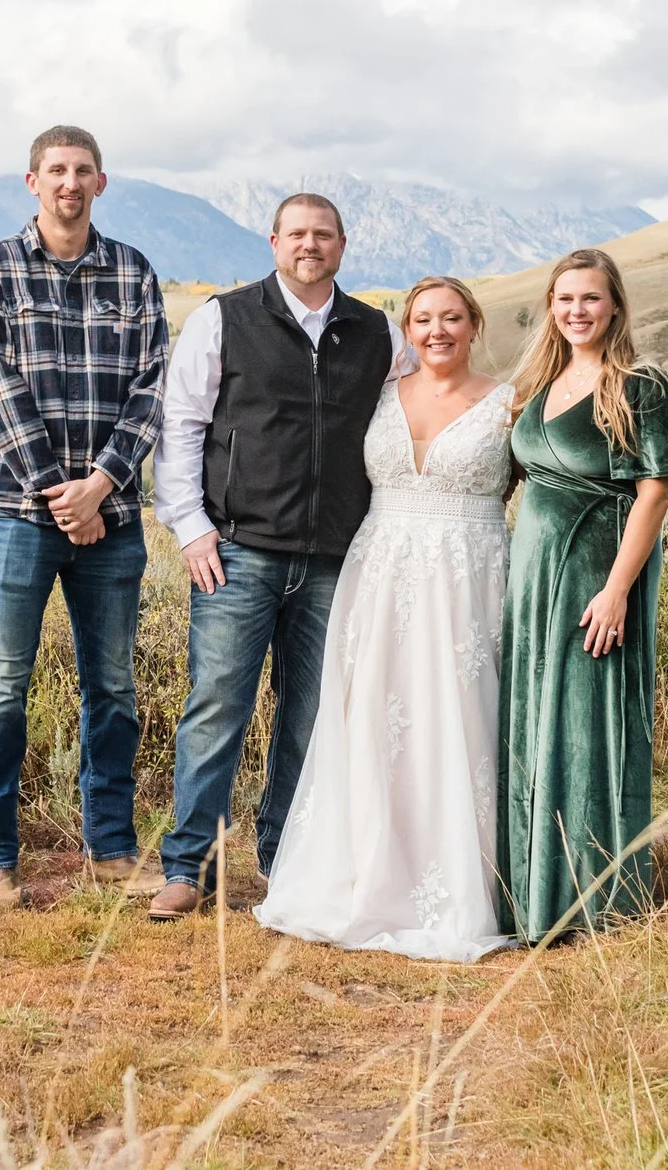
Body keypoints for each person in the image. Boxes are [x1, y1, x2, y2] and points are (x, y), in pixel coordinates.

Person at [148, 194, 402, 919]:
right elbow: (181, 423)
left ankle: (286, 862)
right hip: (236, 553)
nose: (309, 245)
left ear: (342, 245)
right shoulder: (223, 319)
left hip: (335, 558)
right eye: (297, 234)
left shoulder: (379, 333)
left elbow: (408, 420)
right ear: (273, 241)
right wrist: (191, 528)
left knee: (312, 718)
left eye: (323, 235)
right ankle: (189, 867)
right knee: (216, 708)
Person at [254, 277, 514, 961]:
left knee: (459, 717)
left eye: (451, 317)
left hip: (469, 578)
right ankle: (367, 868)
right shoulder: (380, 395)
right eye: (423, 319)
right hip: (381, 574)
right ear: (408, 328)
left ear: (474, 324)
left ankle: (460, 878)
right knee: (376, 716)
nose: (437, 330)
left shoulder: (509, 404)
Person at [0, 125, 171, 915]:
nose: (69, 183)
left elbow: (152, 388)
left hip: (110, 519)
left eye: (83, 170)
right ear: (33, 181)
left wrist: (102, 484)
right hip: (17, 514)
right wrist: (62, 494)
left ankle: (111, 847)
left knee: (112, 686)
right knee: (2, 688)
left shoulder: (133, 272)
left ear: (100, 182)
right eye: (56, 170)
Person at [498, 247, 668, 944]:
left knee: (588, 725)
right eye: (565, 299)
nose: (576, 310)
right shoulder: (538, 385)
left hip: (595, 576)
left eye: (590, 298)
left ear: (614, 307)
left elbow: (655, 493)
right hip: (532, 578)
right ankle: (529, 890)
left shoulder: (640, 387)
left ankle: (594, 897)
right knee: (534, 719)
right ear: (550, 307)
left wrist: (616, 591)